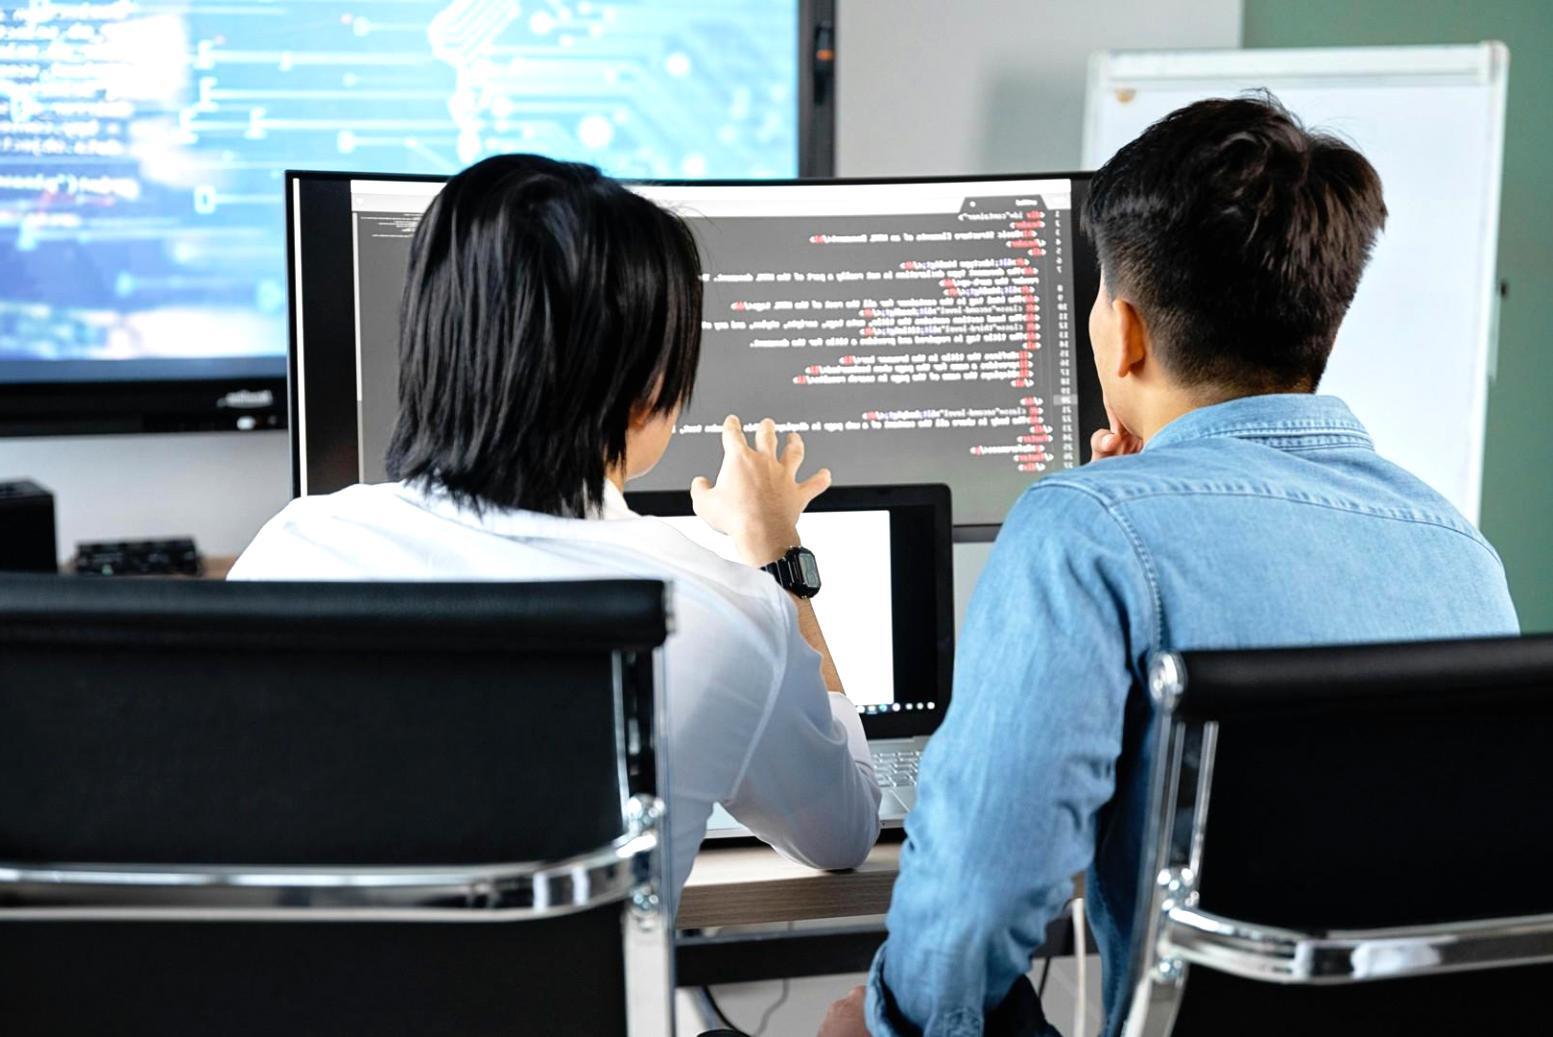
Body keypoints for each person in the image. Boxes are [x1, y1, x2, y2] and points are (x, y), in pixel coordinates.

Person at [820, 95, 1519, 1037]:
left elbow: (976, 901)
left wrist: (883, 1020)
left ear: (1123, 333)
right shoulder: (1461, 553)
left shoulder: (1083, 534)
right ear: (1325, 326)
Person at [229, 154, 880, 902]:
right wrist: (776, 552)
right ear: (647, 394)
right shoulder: (720, 610)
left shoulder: (296, 546)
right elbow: (842, 831)